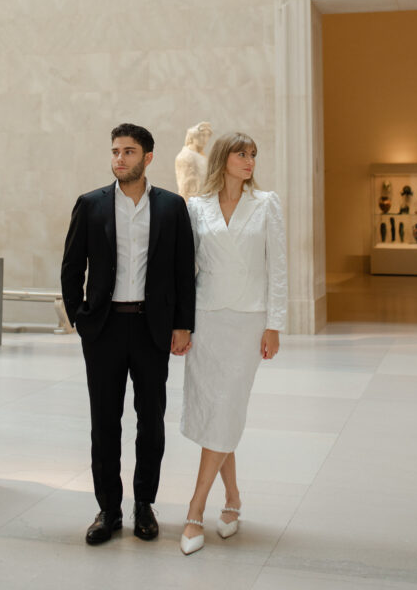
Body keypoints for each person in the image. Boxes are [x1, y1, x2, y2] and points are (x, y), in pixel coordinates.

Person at [61, 123, 196, 545]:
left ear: (148, 158)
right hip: (104, 328)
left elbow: (183, 272)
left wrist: (183, 324)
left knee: (151, 422)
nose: (120, 158)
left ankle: (144, 505)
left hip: (152, 329)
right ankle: (108, 509)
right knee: (104, 422)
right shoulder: (91, 204)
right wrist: (80, 320)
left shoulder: (173, 208)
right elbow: (70, 267)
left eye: (129, 151)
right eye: (116, 151)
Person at [179, 131, 287, 555]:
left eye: (254, 154)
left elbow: (276, 266)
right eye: (242, 154)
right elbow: (187, 272)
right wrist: (181, 324)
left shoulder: (267, 204)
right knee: (215, 412)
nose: (250, 161)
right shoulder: (196, 207)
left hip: (247, 322)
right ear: (223, 159)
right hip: (207, 320)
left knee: (227, 406)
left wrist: (274, 324)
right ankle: (233, 498)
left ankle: (195, 508)